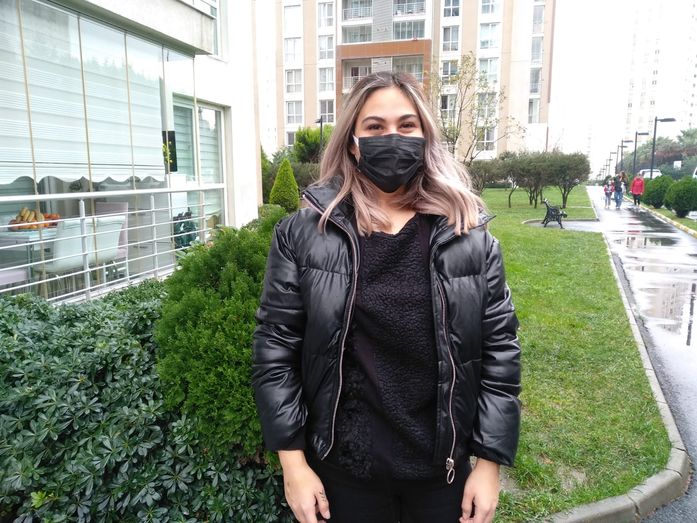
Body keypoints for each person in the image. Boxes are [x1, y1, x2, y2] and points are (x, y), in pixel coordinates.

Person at [252, 71, 521, 523]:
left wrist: (489, 463)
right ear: (353, 142)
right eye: (375, 127)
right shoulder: (304, 235)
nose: (391, 138)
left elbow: (500, 355)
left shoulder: (469, 237)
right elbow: (275, 350)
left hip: (441, 475)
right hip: (343, 475)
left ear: (425, 136)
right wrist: (293, 464)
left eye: (406, 125)